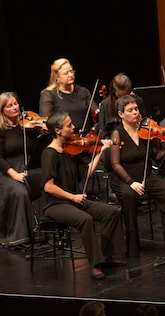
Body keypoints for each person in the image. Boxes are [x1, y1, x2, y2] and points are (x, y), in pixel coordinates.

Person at [41, 111, 126, 280]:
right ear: (58, 130)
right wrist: (72, 197)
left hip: (73, 200)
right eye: (69, 125)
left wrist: (101, 151)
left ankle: (107, 255)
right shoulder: (49, 154)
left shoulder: (71, 150)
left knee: (112, 212)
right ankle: (95, 264)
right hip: (55, 204)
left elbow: (87, 173)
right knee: (85, 219)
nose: (74, 128)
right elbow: (48, 187)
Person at [109, 95, 165, 258]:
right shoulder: (117, 133)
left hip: (146, 175)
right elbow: (115, 164)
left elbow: (156, 156)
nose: (135, 113)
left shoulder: (146, 130)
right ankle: (132, 247)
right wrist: (131, 183)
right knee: (129, 195)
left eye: (136, 109)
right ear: (121, 114)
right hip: (124, 178)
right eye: (130, 110)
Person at [0, 92, 39, 247]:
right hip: (8, 171)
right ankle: (20, 236)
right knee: (21, 192)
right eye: (9, 106)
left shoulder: (27, 126)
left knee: (45, 185)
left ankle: (43, 231)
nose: (15, 107)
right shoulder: (2, 130)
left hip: (29, 167)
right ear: (3, 110)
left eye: (15, 103)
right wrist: (15, 175)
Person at [40, 58, 97, 134]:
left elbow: (95, 113)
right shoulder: (48, 95)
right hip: (64, 140)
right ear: (57, 77)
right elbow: (46, 123)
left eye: (71, 71)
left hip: (85, 138)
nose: (70, 75)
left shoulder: (83, 91)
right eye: (66, 73)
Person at [96, 73, 145, 139]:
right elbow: (102, 131)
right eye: (119, 96)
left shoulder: (137, 101)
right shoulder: (105, 104)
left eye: (125, 95)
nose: (123, 99)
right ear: (114, 91)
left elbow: (143, 124)